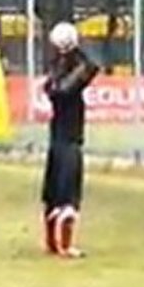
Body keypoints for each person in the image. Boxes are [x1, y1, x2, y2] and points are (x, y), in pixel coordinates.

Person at [41, 21, 101, 258]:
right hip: (71, 141)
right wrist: (76, 48)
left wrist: (68, 52)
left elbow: (54, 85)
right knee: (69, 199)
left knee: (52, 195)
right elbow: (91, 67)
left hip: (56, 140)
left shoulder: (54, 74)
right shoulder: (70, 83)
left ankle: (50, 243)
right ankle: (65, 246)